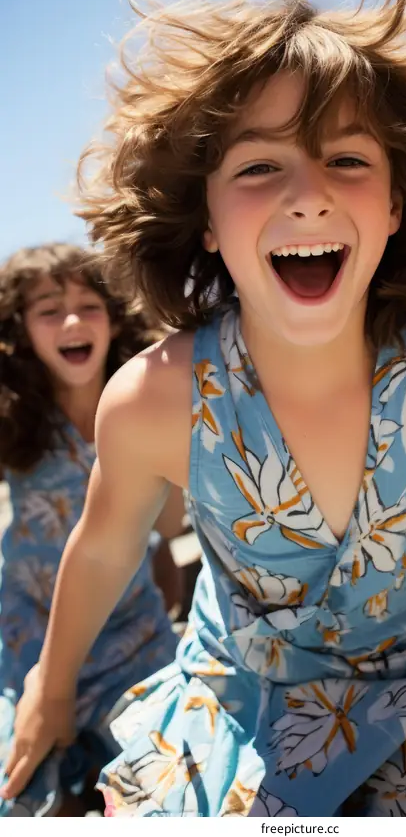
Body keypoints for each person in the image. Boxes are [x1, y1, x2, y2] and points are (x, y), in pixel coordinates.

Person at [3, 0, 406, 817]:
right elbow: (103, 544)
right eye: (257, 166)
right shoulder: (155, 399)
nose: (308, 193)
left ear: (395, 202)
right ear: (205, 219)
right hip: (246, 696)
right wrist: (51, 691)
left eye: (348, 160)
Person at [0, 243, 181, 816]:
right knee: (15, 800)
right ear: (22, 330)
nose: (73, 321)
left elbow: (173, 525)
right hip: (26, 646)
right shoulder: (13, 418)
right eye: (49, 309)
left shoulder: (146, 403)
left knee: (175, 793)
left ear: (114, 315)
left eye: (88, 305)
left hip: (135, 639)